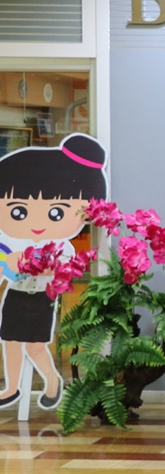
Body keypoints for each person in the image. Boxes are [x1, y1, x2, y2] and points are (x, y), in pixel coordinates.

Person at [0, 133, 108, 412]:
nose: (36, 224)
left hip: (41, 298)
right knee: (10, 340)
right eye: (18, 212)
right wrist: (10, 264)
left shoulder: (63, 247)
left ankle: (52, 381)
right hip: (15, 294)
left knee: (35, 346)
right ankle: (11, 387)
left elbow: (64, 273)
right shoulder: (9, 243)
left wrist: (44, 267)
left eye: (56, 213)